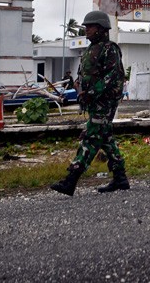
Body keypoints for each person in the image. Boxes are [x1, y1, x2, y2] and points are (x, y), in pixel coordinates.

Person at [51, 10, 129, 196]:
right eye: (86, 26)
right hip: (93, 101)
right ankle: (120, 178)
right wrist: (79, 87)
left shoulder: (110, 49)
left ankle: (71, 180)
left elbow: (112, 77)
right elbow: (82, 74)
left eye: (90, 26)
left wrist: (91, 93)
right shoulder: (88, 51)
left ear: (101, 29)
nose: (86, 30)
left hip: (105, 101)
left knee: (91, 137)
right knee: (105, 138)